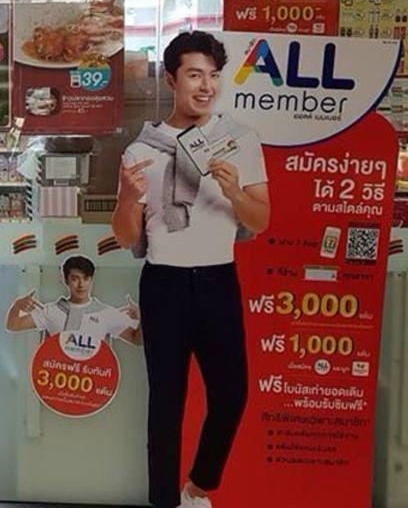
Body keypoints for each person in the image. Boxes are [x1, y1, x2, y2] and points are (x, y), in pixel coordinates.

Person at [112, 31, 271, 508]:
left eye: (214, 76)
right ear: (171, 80)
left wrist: (234, 191)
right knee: (166, 404)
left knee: (232, 395)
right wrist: (127, 197)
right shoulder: (141, 151)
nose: (206, 87)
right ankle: (163, 502)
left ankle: (198, 488)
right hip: (164, 284)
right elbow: (126, 236)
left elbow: (260, 221)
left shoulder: (239, 140)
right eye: (195, 75)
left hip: (218, 280)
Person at [5, 255, 141, 346]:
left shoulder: (106, 313)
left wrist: (142, 318)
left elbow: (137, 340)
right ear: (66, 280)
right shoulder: (51, 311)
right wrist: (17, 306)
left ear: (91, 280)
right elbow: (13, 325)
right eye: (75, 279)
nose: (81, 285)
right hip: (54, 379)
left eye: (86, 278)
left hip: (93, 379)